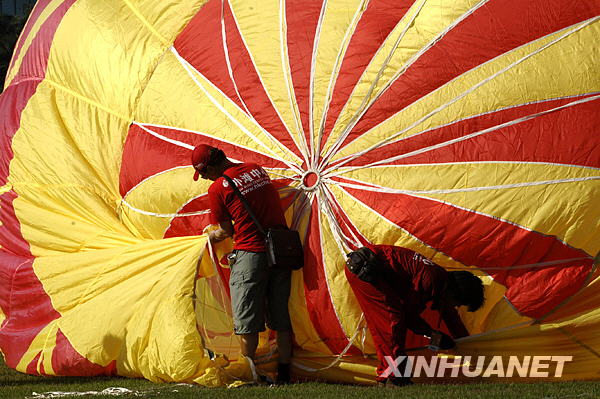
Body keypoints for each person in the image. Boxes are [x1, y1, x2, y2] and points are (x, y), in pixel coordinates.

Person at [191, 144, 292, 384]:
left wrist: (207, 238)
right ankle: (286, 374)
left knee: (247, 321)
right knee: (281, 318)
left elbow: (226, 231)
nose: (204, 178)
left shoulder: (217, 188)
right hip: (280, 251)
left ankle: (252, 375)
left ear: (211, 167)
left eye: (203, 173)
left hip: (250, 254)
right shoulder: (256, 169)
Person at [345, 245, 485, 387]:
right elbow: (408, 317)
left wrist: (465, 344)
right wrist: (432, 334)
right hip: (365, 270)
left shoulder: (441, 281)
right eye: (459, 303)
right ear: (455, 293)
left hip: (366, 267)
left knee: (384, 324)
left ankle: (389, 376)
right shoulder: (432, 281)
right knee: (393, 320)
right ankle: (395, 378)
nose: (456, 306)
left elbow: (451, 318)